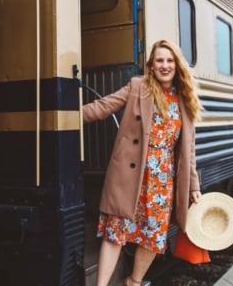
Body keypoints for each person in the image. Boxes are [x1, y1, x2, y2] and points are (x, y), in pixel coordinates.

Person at [83, 39, 203, 286]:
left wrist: (193, 187)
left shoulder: (185, 99)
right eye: (159, 60)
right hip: (131, 174)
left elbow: (188, 151)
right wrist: (63, 116)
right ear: (151, 65)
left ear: (177, 65)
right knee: (115, 232)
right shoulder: (138, 87)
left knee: (154, 236)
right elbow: (103, 107)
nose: (165, 65)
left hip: (163, 179)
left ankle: (134, 282)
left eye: (170, 60)